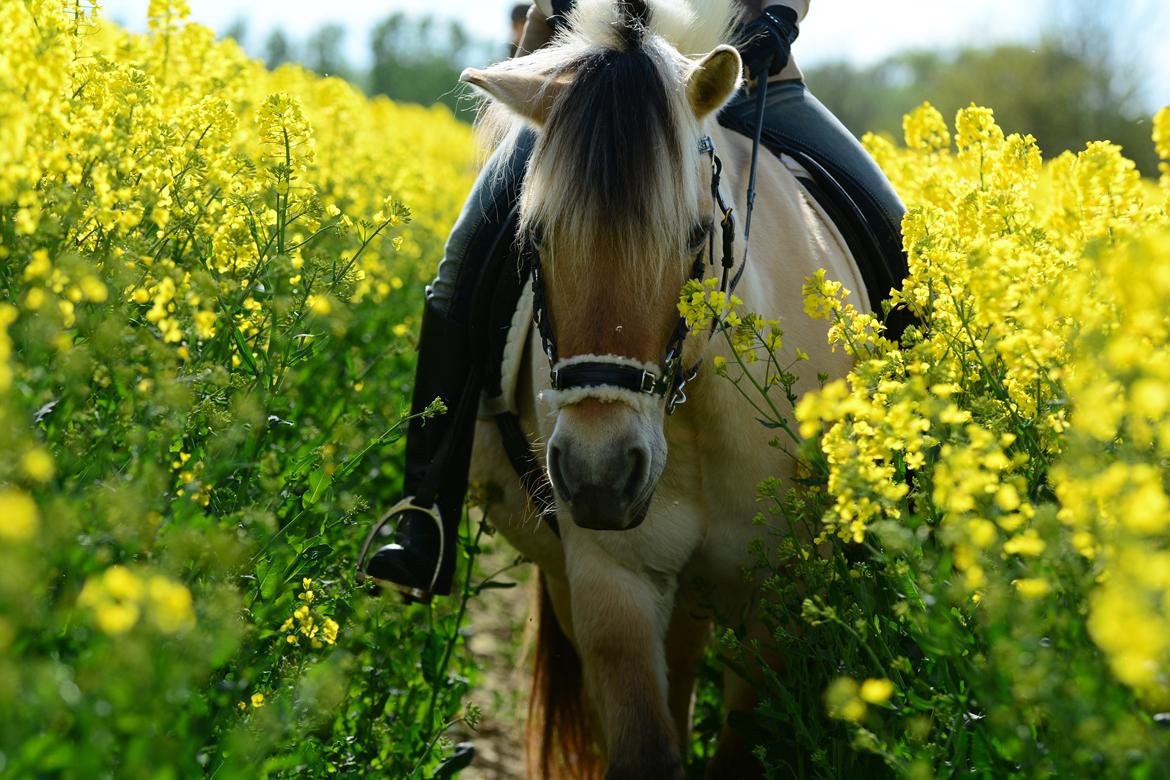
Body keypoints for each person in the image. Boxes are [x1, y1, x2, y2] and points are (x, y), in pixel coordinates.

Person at [359, 0, 909, 601]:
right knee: (461, 265)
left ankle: (914, 515)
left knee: (894, 236)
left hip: (738, 72)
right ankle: (424, 513)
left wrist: (777, 15)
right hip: (588, 83)